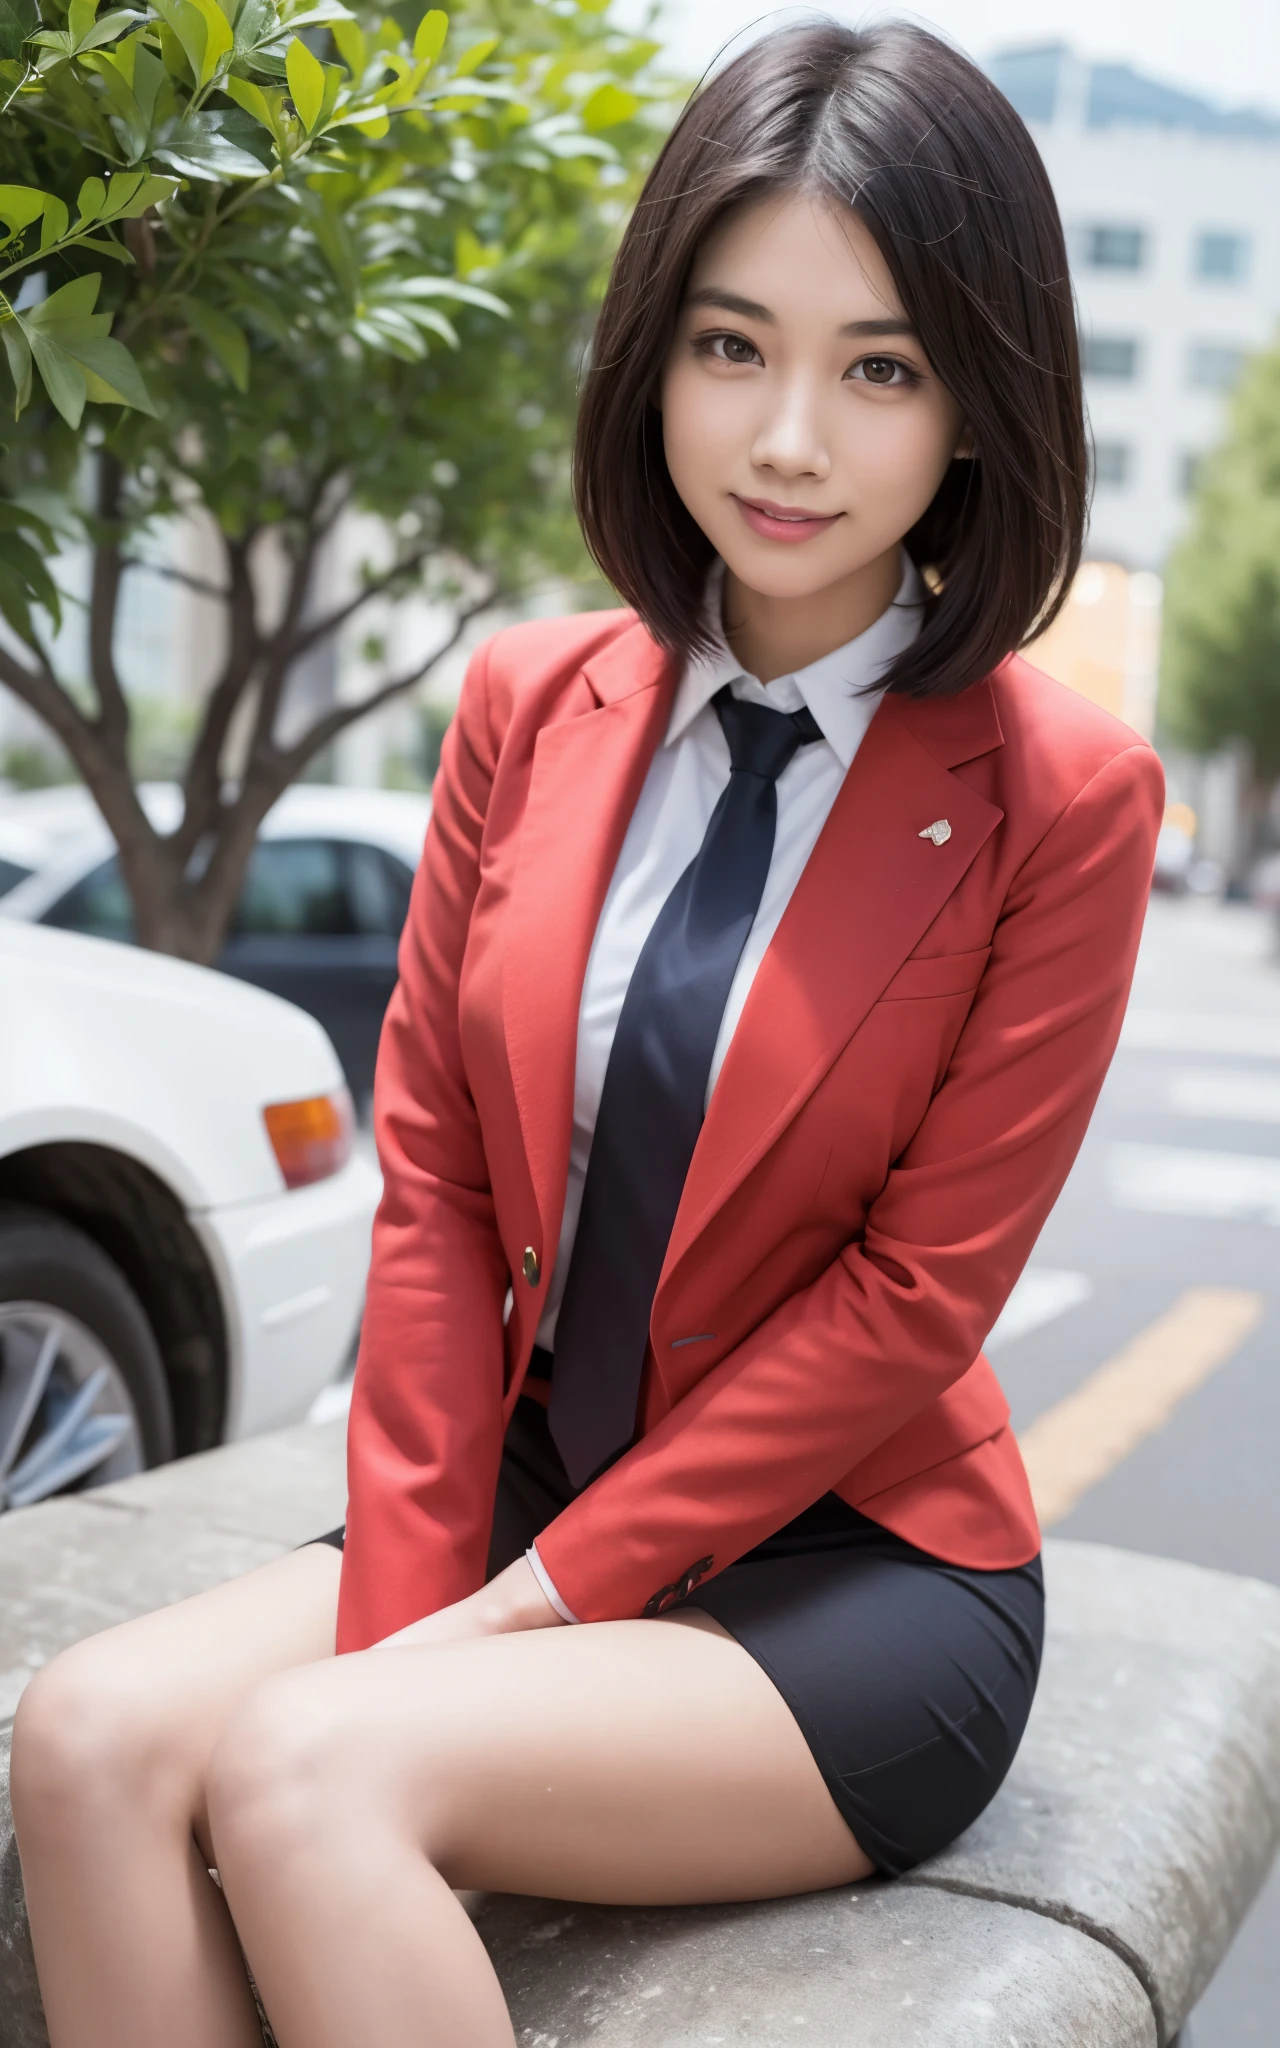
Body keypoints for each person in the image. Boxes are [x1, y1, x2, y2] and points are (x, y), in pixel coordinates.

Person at [11, 20, 1163, 2047]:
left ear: (981, 398)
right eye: (734, 346)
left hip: (854, 1571)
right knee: (93, 1737)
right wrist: (414, 1608)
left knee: (308, 1774)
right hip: (528, 1492)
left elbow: (915, 1297)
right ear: (654, 358)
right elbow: (441, 1188)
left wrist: (490, 1632)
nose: (788, 436)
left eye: (877, 366)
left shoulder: (1058, 793)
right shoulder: (524, 704)